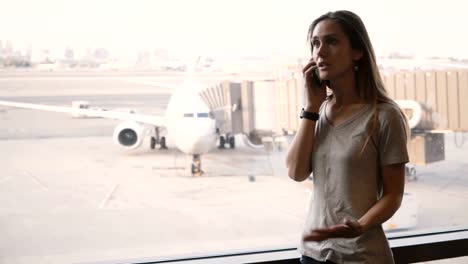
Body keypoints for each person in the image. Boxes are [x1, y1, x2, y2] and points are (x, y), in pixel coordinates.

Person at [285, 10, 409, 264]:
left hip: (361, 257)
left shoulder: (384, 116)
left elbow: (393, 195)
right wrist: (310, 109)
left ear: (357, 52)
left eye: (332, 41)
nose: (320, 51)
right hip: (313, 255)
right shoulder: (317, 111)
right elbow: (296, 172)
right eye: (316, 43)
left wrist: (361, 226)